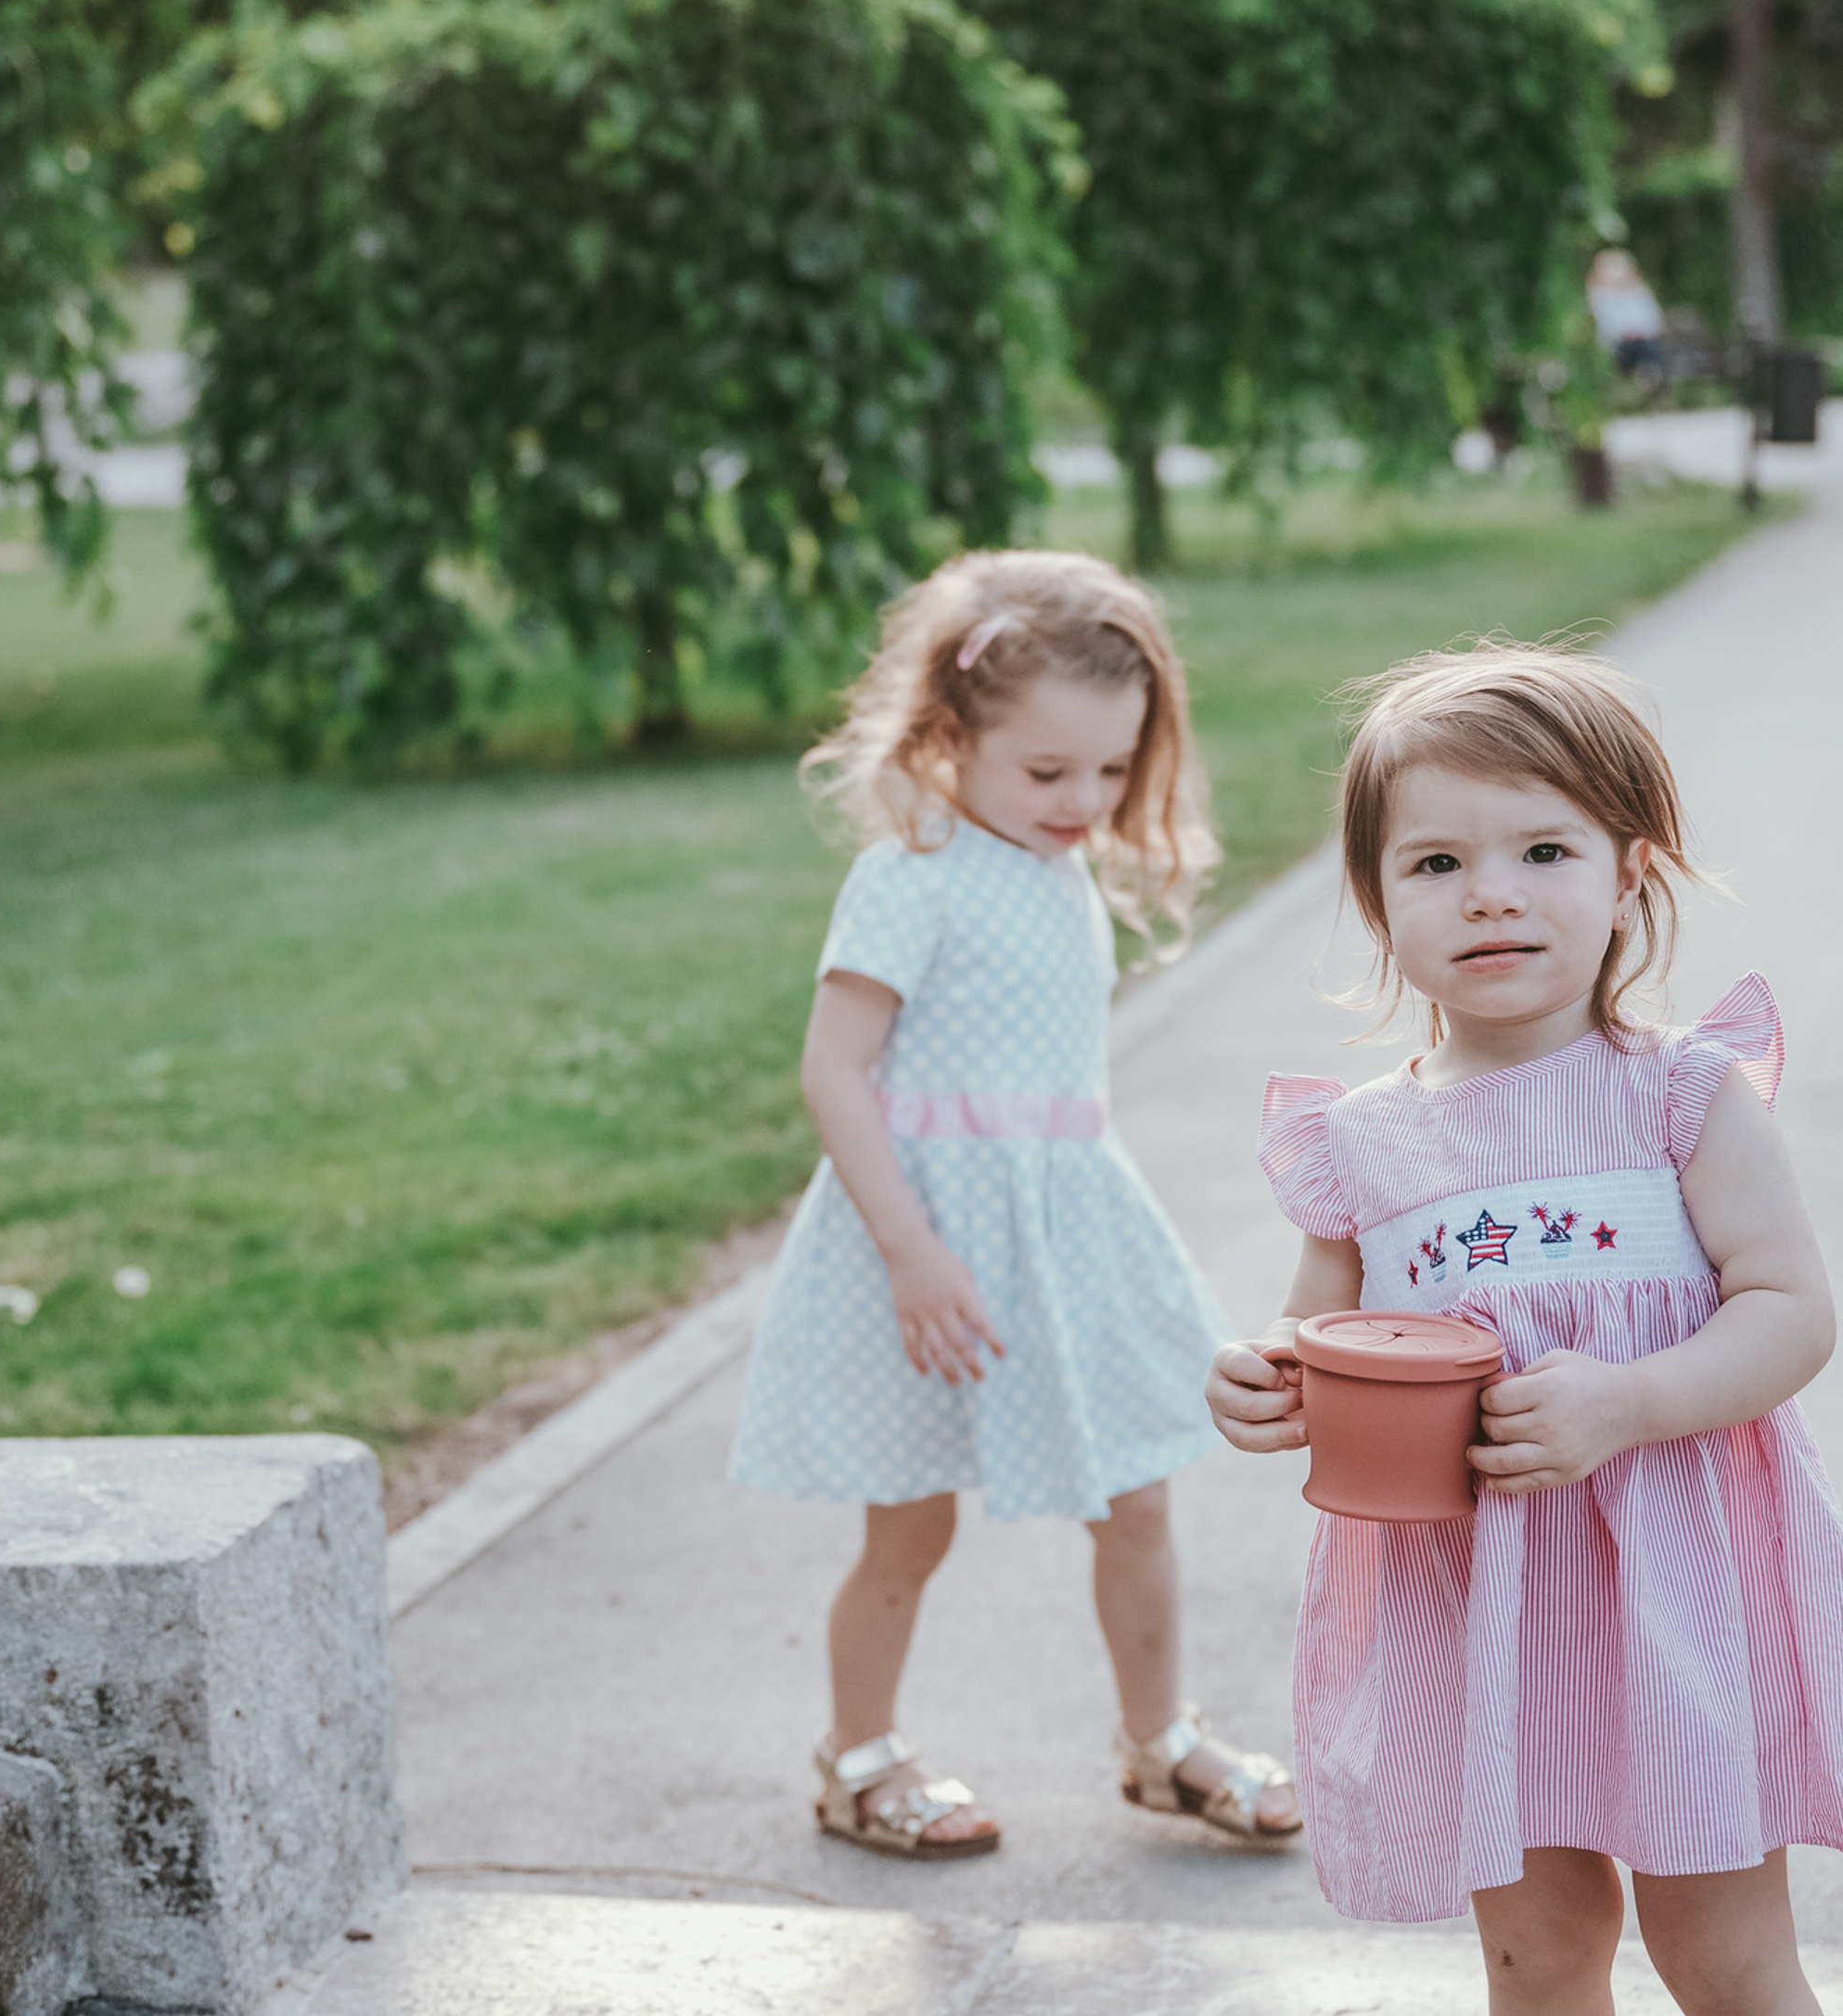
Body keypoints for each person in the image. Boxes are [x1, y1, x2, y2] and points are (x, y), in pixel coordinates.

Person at [1207, 644, 1843, 2014]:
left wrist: (1626, 1402)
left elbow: (1792, 1314)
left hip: (1677, 1589)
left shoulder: (1680, 1096)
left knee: (1723, 1956)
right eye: (1433, 865)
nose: (1489, 892)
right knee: (1540, 1956)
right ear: (1378, 908)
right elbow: (1324, 1342)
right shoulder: (1361, 1150)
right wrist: (1269, 1383)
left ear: (1631, 876)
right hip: (1483, 1603)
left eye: (1544, 849)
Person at [730, 549, 1302, 1859]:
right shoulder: (914, 872)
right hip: (924, 1242)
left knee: (1139, 1493)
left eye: (1111, 771)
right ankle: (856, 1757)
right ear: (949, 732)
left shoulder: (1062, 874)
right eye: (1048, 773)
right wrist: (911, 1250)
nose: (1085, 800)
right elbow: (836, 1070)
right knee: (910, 1518)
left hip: (1065, 1230)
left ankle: (1159, 1744)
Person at [1587, 248, 1669, 388]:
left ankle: (1649, 378)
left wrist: (1640, 332)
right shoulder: (1600, 296)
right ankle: (1649, 379)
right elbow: (1605, 324)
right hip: (1617, 344)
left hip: (1643, 340)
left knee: (1648, 346)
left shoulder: (1639, 292)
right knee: (1639, 349)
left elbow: (1652, 319)